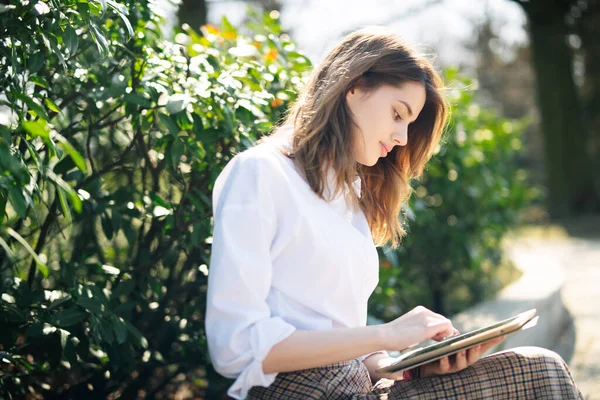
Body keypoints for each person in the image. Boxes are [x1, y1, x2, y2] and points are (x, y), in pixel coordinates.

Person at [205, 27, 583, 399]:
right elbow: (233, 346)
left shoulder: (348, 194)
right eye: (398, 114)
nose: (403, 138)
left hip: (360, 386)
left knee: (534, 367)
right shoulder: (260, 173)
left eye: (410, 123)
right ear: (353, 85)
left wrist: (405, 363)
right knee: (539, 373)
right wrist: (386, 334)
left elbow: (339, 333)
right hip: (300, 392)